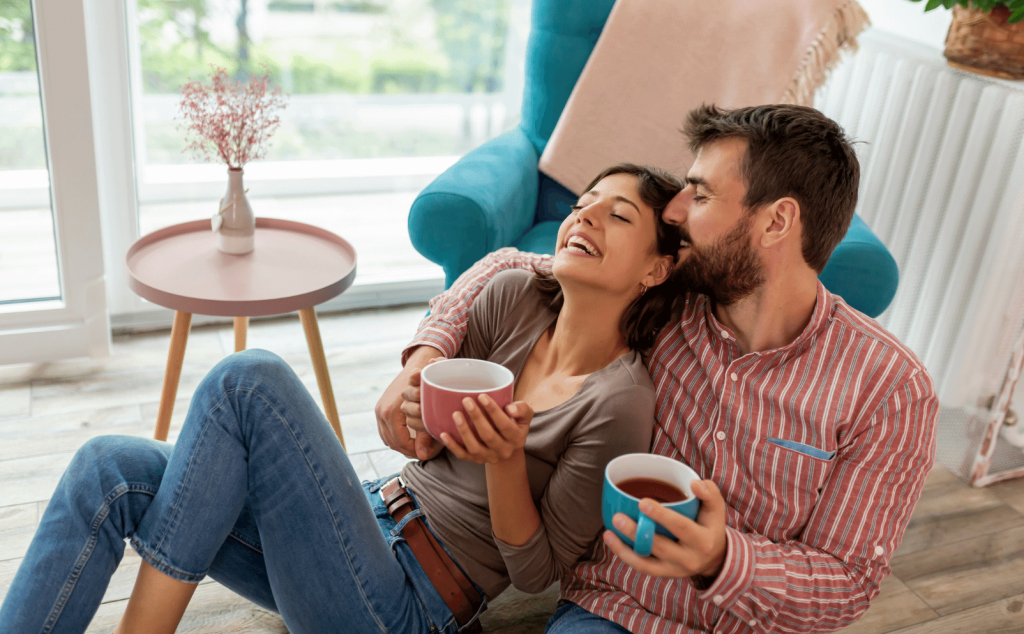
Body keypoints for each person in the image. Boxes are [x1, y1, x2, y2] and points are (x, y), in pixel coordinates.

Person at [0, 164, 683, 634]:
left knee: (249, 379)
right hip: (359, 523)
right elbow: (425, 443)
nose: (584, 215)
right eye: (582, 202)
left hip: (406, 602)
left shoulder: (619, 402)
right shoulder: (512, 299)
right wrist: (414, 417)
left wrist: (506, 463)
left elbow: (536, 573)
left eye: (616, 213)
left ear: (656, 269)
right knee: (108, 467)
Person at [377, 104, 941, 634]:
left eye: (699, 194)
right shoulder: (664, 306)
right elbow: (519, 265)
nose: (674, 210)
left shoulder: (889, 388)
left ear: (776, 223)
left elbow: (848, 581)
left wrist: (723, 558)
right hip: (609, 606)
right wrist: (425, 355)